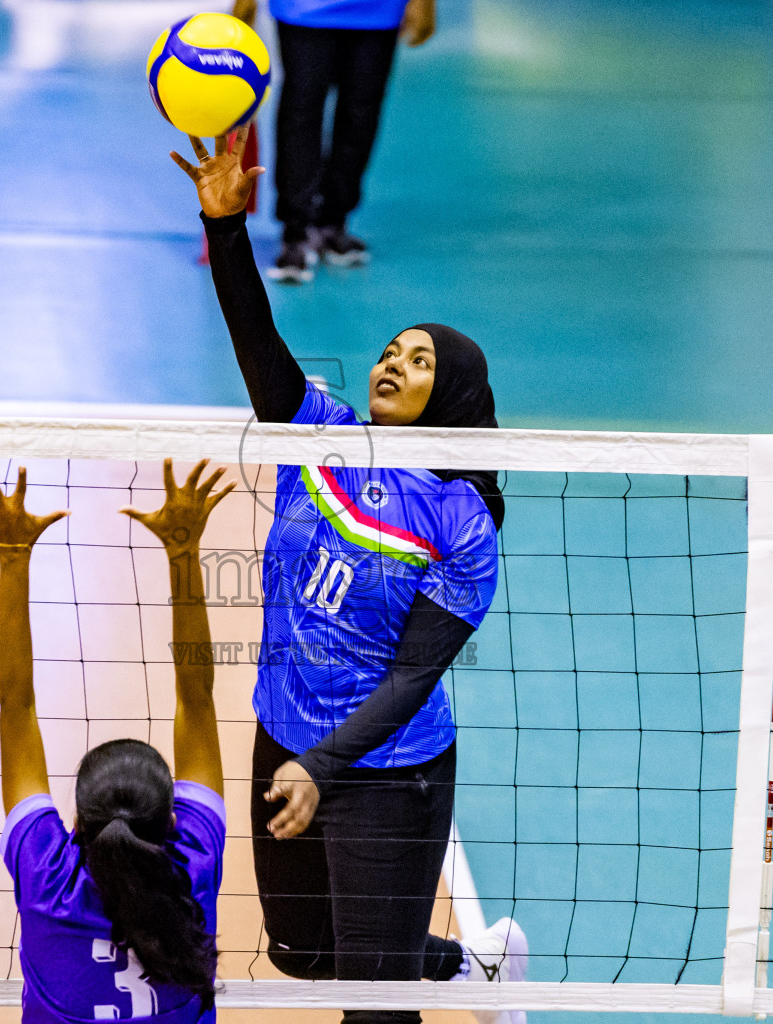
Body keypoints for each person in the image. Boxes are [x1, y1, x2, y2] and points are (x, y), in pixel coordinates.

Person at [170, 126, 528, 1024]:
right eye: (389, 350)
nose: (391, 365)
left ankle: (420, 977)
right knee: (302, 955)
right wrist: (225, 227)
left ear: (454, 397)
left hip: (387, 768)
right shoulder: (322, 435)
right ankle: (468, 968)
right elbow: (260, 348)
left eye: (419, 360)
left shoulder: (461, 515)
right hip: (282, 730)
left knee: (372, 1006)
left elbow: (414, 676)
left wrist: (326, 768)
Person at [0, 461, 235, 1024]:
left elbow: (16, 706)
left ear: (77, 825)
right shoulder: (194, 864)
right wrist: (183, 555)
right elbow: (198, 700)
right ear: (174, 824)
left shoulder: (46, 877)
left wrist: (13, 559)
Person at [229, 0, 435, 282]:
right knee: (301, 108)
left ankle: (334, 220)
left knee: (362, 110)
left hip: (378, 10)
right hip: (303, 9)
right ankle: (295, 229)